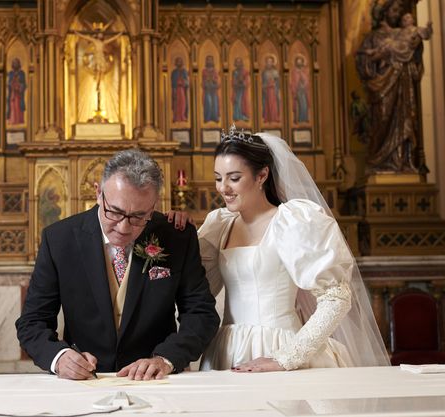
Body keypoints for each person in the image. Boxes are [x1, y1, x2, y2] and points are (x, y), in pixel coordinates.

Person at [169, 127, 390, 372]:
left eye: (234, 178)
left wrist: (287, 357)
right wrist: (176, 233)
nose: (223, 188)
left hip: (280, 345)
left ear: (262, 175)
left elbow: (336, 297)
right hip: (226, 349)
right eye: (218, 178)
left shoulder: (293, 221)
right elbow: (194, 290)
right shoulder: (219, 225)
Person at [16, 149, 219, 381]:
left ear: (153, 207)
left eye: (138, 217)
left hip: (157, 380)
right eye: (115, 212)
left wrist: (166, 359)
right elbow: (32, 322)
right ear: (98, 193)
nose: (123, 228)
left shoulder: (177, 236)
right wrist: (60, 357)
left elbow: (201, 314)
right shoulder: (59, 239)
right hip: (85, 382)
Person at [356, 0, 431, 173]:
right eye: (394, 10)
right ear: (384, 12)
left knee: (406, 119)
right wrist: (375, 60)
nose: (397, 14)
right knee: (382, 119)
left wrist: (415, 49)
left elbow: (414, 58)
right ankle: (380, 161)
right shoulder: (373, 37)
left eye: (399, 11)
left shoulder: (405, 34)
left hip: (403, 86)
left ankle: (404, 161)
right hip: (382, 87)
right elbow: (363, 61)